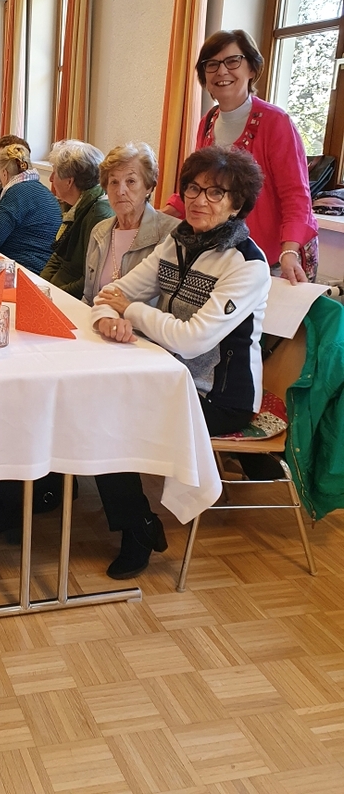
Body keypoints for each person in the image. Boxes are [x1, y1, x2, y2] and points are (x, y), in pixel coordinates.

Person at [91, 146, 270, 579]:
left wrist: (131, 312)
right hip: (166, 374)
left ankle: (137, 528)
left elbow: (192, 341)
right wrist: (108, 316)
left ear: (236, 204)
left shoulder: (247, 264)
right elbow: (110, 294)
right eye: (193, 188)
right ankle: (137, 520)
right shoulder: (177, 242)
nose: (199, 200)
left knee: (110, 423)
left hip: (219, 395)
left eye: (215, 193)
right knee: (92, 403)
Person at [164, 29, 317, 284]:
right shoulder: (207, 122)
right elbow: (199, 185)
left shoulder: (276, 121)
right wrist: (157, 217)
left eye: (232, 61)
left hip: (275, 257)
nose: (222, 71)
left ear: (252, 69)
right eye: (212, 64)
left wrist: (289, 251)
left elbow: (296, 195)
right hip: (226, 255)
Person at [82, 142, 177, 305]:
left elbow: (169, 307)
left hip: (140, 322)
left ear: (148, 186)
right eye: (114, 182)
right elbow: (89, 298)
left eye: (131, 181)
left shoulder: (170, 234)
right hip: (97, 318)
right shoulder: (99, 231)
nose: (120, 191)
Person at [40, 140, 113, 298]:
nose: (51, 179)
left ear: (69, 181)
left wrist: (52, 295)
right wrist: (39, 287)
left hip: (71, 299)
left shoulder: (98, 213)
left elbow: (90, 280)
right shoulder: (76, 205)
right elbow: (58, 255)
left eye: (54, 172)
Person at [0, 143, 61, 272]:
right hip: (42, 265)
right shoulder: (41, 189)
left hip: (26, 267)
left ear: (4, 173)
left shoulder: (16, 192)